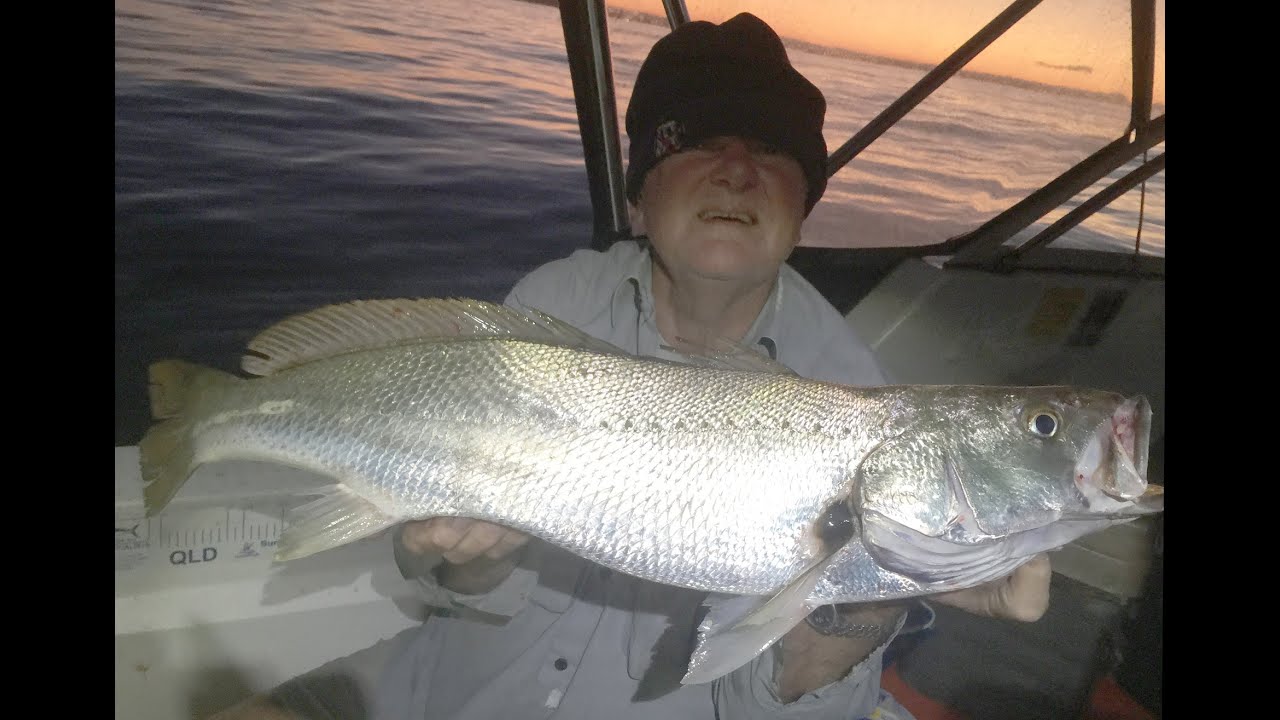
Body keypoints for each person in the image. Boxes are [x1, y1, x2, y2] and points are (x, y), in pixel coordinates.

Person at [214, 12, 1051, 720]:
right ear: (638, 192)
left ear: (805, 206)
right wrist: (472, 561)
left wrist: (878, 587)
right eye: (701, 142)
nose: (738, 169)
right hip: (452, 689)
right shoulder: (556, 302)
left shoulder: (855, 398)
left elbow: (779, 696)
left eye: (772, 150)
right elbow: (454, 592)